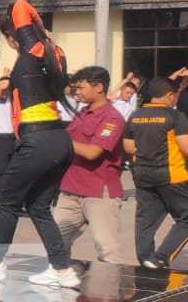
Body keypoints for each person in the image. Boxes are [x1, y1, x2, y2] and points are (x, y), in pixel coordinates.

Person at [0, 1, 77, 287]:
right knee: (38, 206)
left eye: (9, 38)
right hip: (59, 140)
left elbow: (20, 6)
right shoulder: (54, 55)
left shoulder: (34, 51)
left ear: (15, 36)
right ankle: (62, 269)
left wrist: (35, 26)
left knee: (6, 200)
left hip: (38, 140)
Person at [53, 66, 127, 265]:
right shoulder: (82, 113)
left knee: (107, 249)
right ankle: (63, 278)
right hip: (70, 190)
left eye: (80, 88)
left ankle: (110, 292)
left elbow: (92, 152)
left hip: (98, 192)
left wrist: (58, 139)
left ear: (99, 87)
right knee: (55, 242)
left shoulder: (112, 118)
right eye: (75, 88)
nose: (77, 92)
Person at [123, 76, 188, 269]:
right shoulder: (175, 116)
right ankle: (161, 257)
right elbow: (186, 148)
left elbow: (128, 147)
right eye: (176, 95)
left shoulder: (135, 115)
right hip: (172, 176)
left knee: (146, 219)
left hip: (143, 176)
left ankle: (145, 258)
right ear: (169, 95)